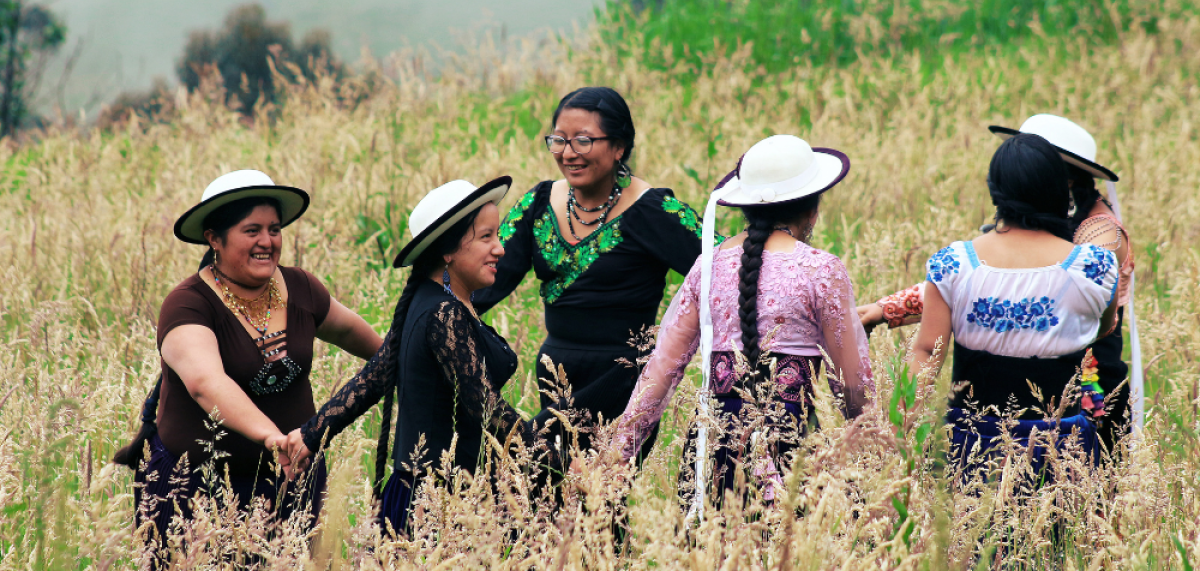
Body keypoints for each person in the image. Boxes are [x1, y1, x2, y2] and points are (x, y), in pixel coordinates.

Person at [116, 170, 382, 554]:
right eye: (251, 230)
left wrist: (409, 358)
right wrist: (272, 438)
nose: (267, 241)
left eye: (274, 229)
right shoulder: (189, 304)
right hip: (196, 493)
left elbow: (357, 337)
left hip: (291, 480)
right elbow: (205, 383)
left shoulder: (301, 287)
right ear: (214, 239)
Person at [603, 135, 875, 508]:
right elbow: (852, 382)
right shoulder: (820, 270)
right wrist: (874, 455)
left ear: (746, 208)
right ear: (812, 209)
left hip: (711, 448)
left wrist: (618, 454)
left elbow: (662, 369)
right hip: (792, 447)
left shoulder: (708, 266)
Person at [286, 177, 568, 535]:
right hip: (439, 505)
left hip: (424, 493)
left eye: (497, 236)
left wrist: (311, 434)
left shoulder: (432, 300)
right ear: (448, 249)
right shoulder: (443, 314)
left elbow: (373, 378)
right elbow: (486, 408)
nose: (500, 249)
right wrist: (559, 459)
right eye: (486, 237)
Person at [861, 114, 1134, 451]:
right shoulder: (1084, 258)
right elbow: (991, 281)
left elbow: (992, 285)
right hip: (1058, 429)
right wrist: (887, 308)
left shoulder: (1100, 237)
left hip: (1085, 391)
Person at [472, 87, 714, 460]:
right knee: (548, 496)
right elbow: (484, 280)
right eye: (559, 141)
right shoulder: (538, 203)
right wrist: (433, 323)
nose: (568, 154)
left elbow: (722, 267)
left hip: (624, 379)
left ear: (618, 147)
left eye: (584, 140)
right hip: (557, 373)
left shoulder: (652, 210)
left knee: (595, 497)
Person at [907, 134, 1118, 477]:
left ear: (995, 191)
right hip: (1063, 448)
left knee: (972, 530)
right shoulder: (1095, 267)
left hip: (972, 445)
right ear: (1060, 189)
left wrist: (900, 436)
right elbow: (1102, 328)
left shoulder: (954, 264)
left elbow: (925, 353)